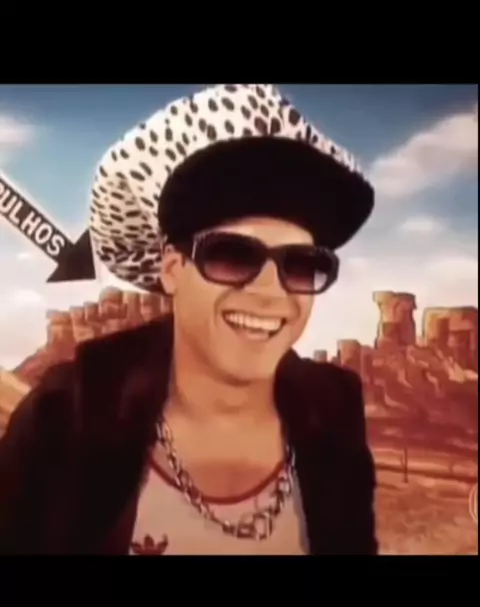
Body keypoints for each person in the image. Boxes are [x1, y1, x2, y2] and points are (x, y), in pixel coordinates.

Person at [0, 83, 378, 555]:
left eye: (301, 265)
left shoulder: (336, 416)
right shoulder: (64, 421)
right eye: (232, 255)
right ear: (172, 268)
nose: (270, 292)